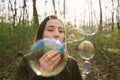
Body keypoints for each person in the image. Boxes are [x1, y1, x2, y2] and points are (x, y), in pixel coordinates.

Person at [14, 15, 83, 80]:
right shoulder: (26, 61)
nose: (57, 34)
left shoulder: (72, 63)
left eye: (61, 31)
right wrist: (41, 74)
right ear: (41, 35)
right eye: (50, 30)